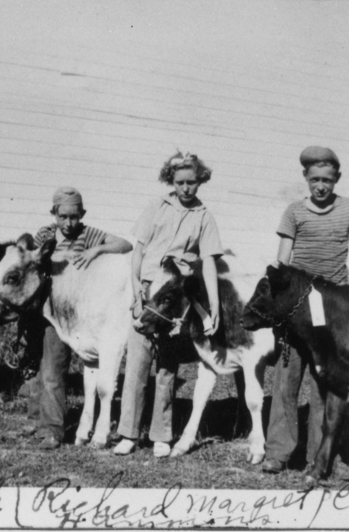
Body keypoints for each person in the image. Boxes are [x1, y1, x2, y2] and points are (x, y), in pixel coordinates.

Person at [261, 145, 349, 473]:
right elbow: (282, 260)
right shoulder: (294, 212)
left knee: (324, 378)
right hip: (299, 303)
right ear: (305, 178)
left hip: (332, 305)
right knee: (288, 375)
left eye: (327, 179)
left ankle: (319, 453)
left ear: (337, 178)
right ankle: (278, 452)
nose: (321, 186)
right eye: (315, 179)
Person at [113, 152, 223, 458]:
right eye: (180, 183)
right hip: (148, 291)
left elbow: (211, 262)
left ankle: (161, 435)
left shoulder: (204, 216)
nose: (186, 188)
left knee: (166, 366)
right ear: (170, 181)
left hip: (174, 298)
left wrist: (213, 304)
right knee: (137, 364)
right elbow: (138, 250)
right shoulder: (156, 207)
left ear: (200, 181)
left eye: (192, 182)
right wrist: (136, 287)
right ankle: (129, 434)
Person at [25, 187, 132, 450]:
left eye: (74, 217)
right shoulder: (45, 235)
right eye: (63, 217)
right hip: (54, 311)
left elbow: (126, 244)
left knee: (87, 363)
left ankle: (62, 424)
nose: (69, 223)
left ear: (82, 214)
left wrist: (96, 251)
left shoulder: (89, 234)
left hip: (82, 312)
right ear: (54, 214)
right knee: (51, 370)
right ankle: (49, 428)